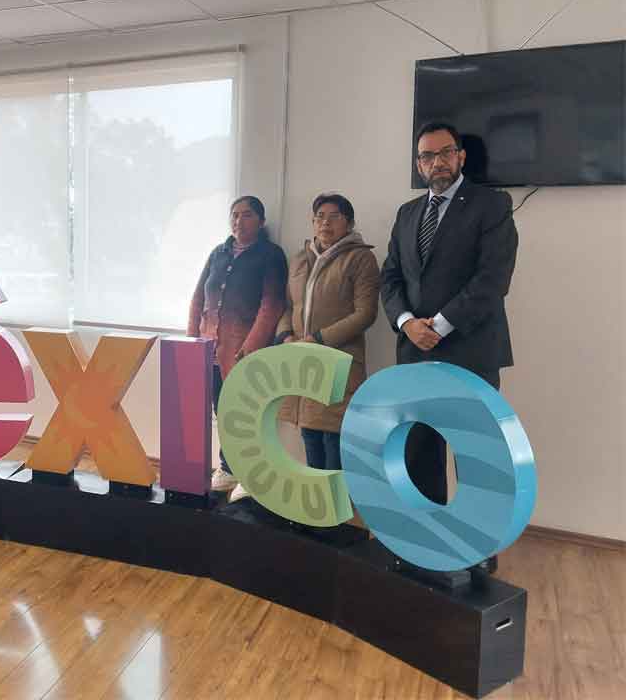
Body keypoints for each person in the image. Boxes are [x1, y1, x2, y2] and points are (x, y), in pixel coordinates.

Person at [381, 121, 518, 512]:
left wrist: (438, 326)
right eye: (427, 156)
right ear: (418, 164)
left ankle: (477, 541)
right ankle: (428, 536)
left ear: (461, 156)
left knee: (477, 459)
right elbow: (390, 277)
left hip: (470, 350)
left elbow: (493, 279)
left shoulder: (492, 205)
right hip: (415, 353)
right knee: (418, 452)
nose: (436, 162)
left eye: (445, 153)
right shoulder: (407, 213)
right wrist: (407, 323)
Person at [187, 196, 287, 492]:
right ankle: (229, 468)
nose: (238, 221)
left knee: (245, 413)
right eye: (234, 215)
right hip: (210, 348)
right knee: (222, 409)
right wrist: (191, 340)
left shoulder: (270, 255)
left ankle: (250, 472)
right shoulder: (218, 253)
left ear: (261, 221)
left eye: (246, 215)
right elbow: (198, 298)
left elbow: (271, 304)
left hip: (243, 350)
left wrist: (251, 346)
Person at [275, 194, 380, 472]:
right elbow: (288, 306)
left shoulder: (361, 258)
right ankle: (319, 502)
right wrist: (285, 336)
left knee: (334, 440)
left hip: (340, 364)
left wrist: (319, 339)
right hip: (304, 362)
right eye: (320, 217)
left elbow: (365, 313)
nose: (325, 223)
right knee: (310, 435)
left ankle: (338, 502)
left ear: (349, 223)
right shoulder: (300, 259)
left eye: (335, 217)